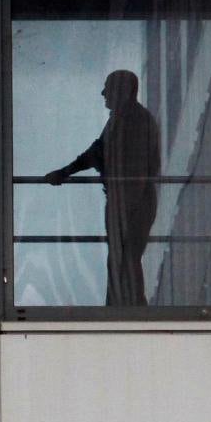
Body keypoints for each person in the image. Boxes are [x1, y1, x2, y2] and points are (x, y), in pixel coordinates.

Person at [43, 67, 163, 308]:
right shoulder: (119, 120)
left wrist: (126, 205)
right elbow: (95, 153)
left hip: (134, 201)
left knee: (127, 259)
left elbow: (138, 168)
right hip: (123, 200)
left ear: (122, 90)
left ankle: (132, 310)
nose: (102, 93)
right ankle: (122, 308)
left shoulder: (137, 120)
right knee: (120, 259)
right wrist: (65, 172)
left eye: (107, 87)